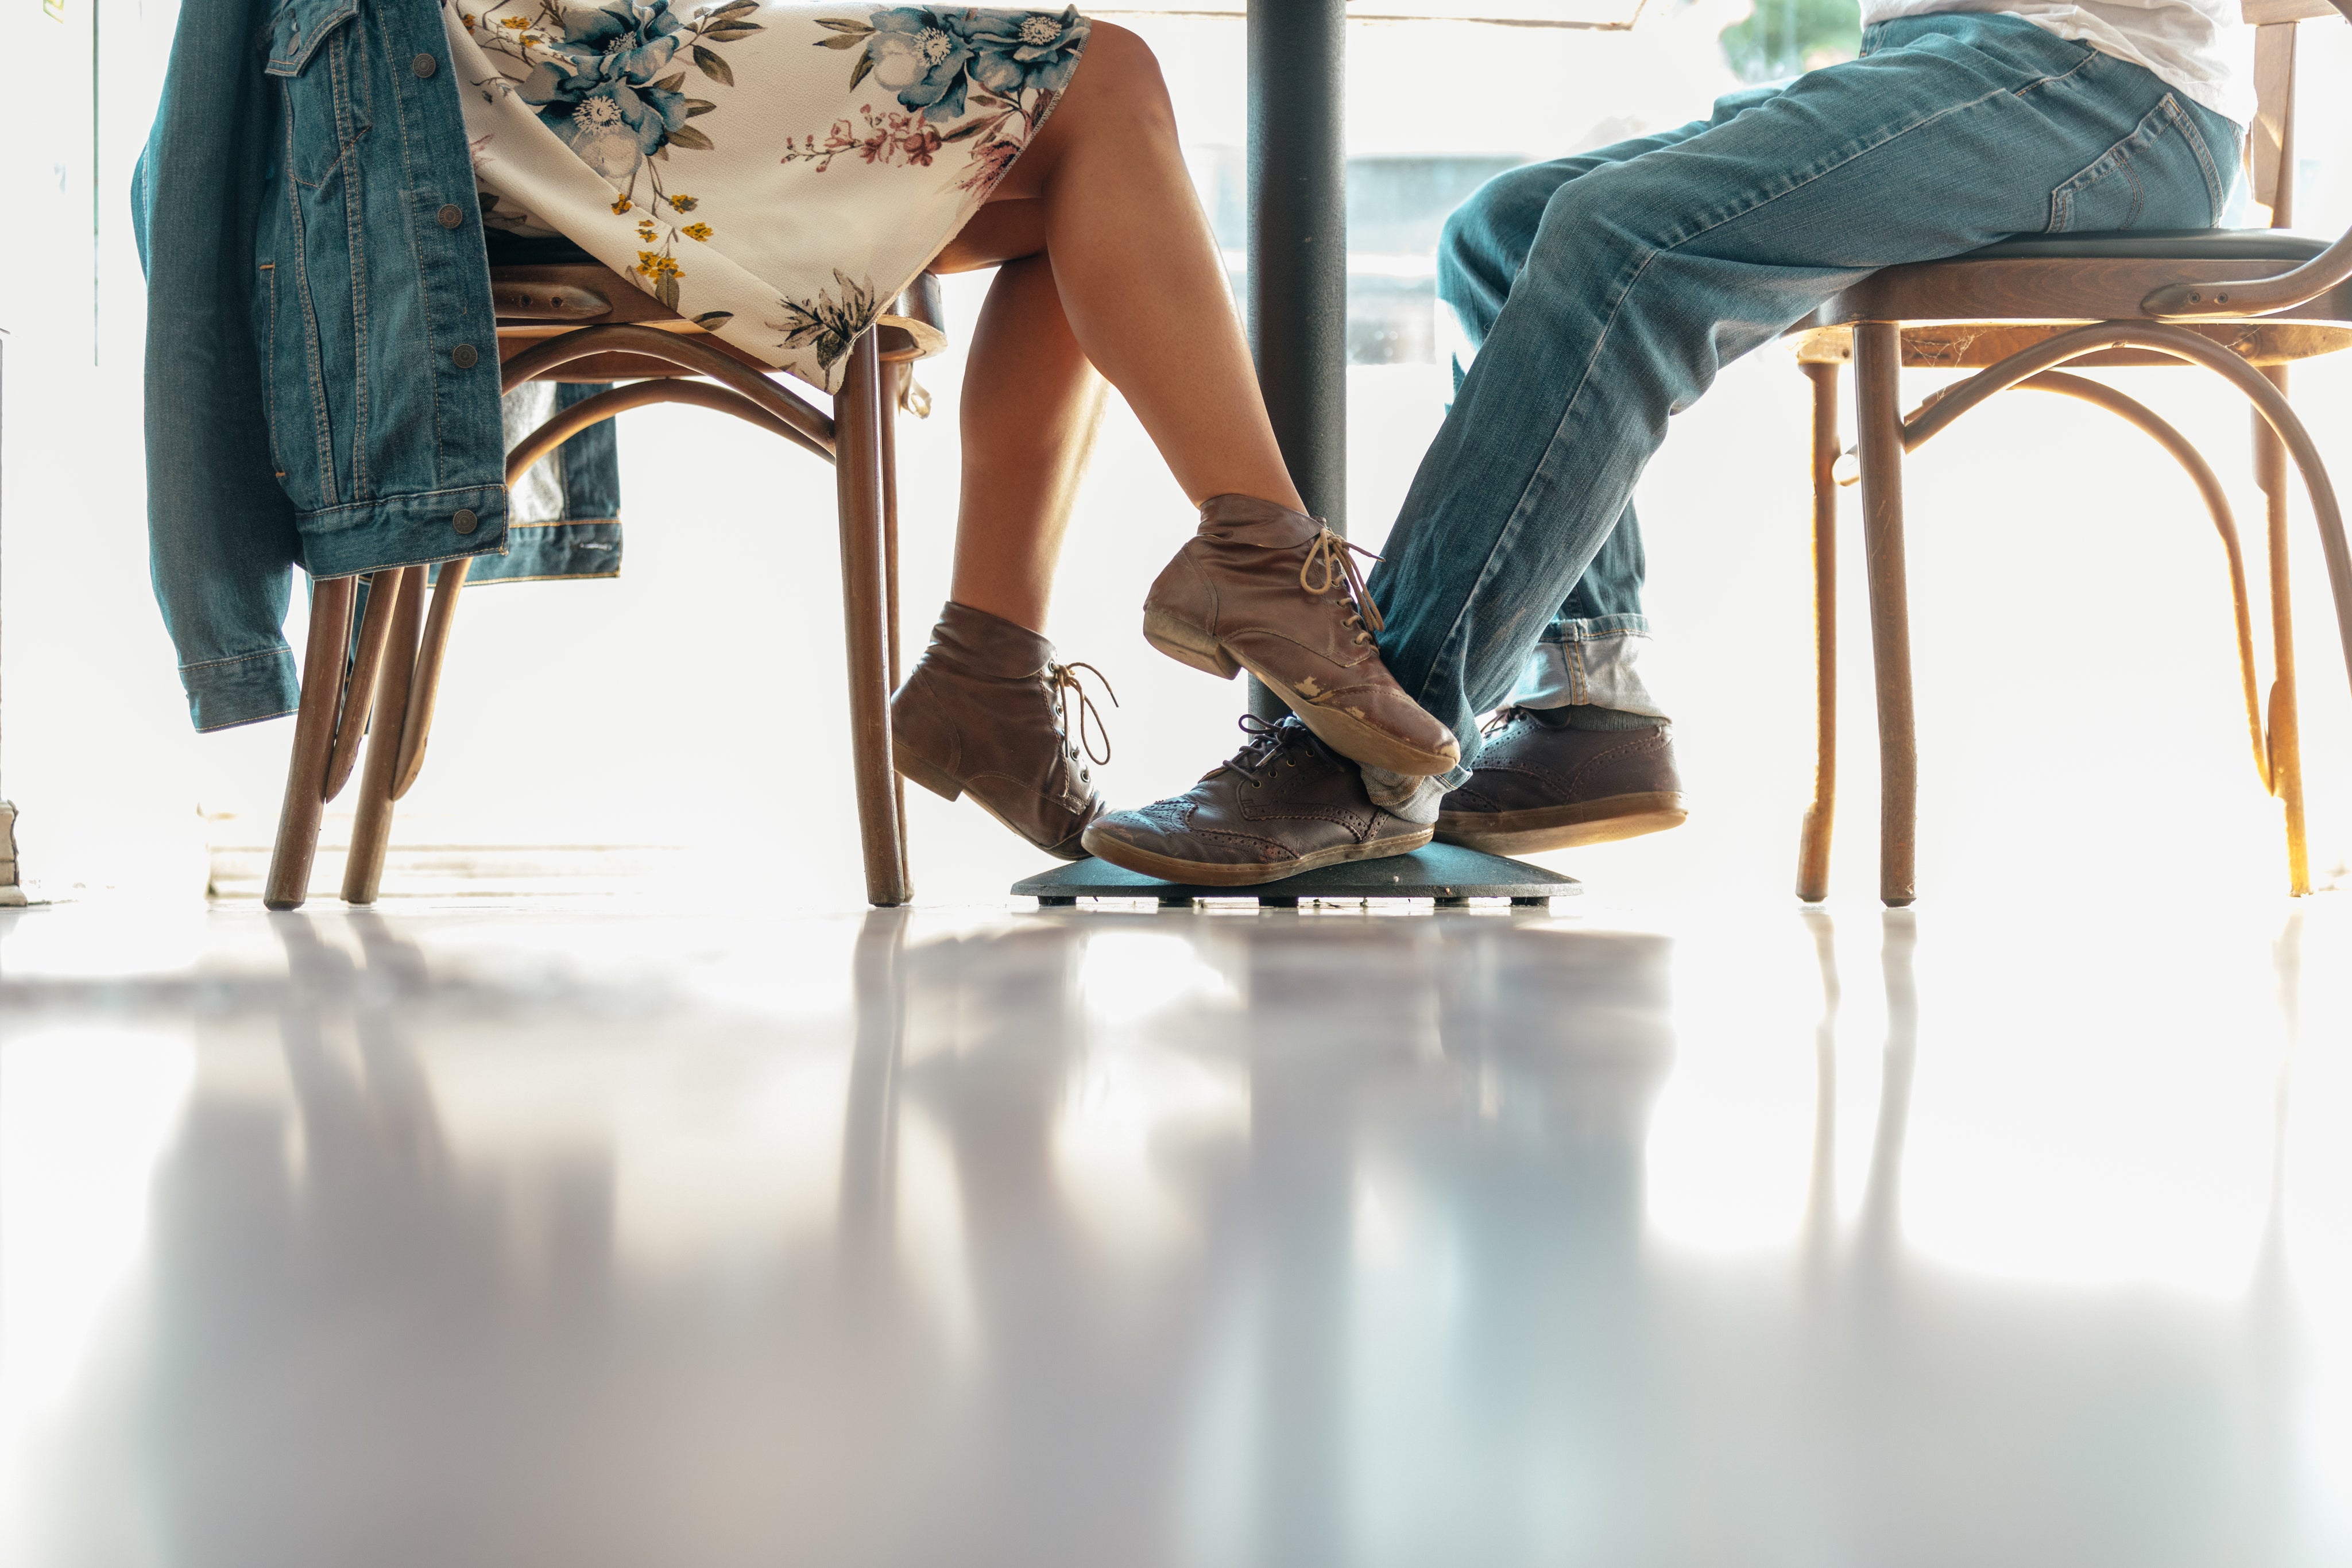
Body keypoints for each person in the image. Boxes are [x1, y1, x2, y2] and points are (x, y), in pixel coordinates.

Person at [1081, 0, 2247, 886]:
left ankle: (1373, 751)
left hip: (2103, 89)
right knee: (1502, 231)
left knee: (1616, 242)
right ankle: (1591, 708)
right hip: (1946, 64)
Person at [450, 3, 1457, 862]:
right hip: (531, 81)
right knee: (1098, 83)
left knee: (1073, 170)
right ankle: (1256, 557)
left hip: (536, 82)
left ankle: (989, 670)